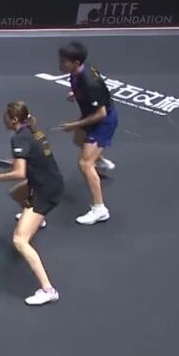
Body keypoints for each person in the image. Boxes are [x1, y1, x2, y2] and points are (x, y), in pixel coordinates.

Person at [0, 102, 62, 306]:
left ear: (14, 120)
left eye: (6, 117)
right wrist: (12, 162)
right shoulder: (35, 131)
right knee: (16, 194)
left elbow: (19, 173)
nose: (3, 120)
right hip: (50, 182)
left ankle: (48, 290)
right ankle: (37, 220)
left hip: (44, 191)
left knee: (19, 240)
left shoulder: (19, 138)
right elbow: (33, 158)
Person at [55, 42, 117, 225]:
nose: (60, 64)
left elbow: (101, 114)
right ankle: (100, 160)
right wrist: (76, 93)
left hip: (103, 122)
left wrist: (74, 124)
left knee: (85, 163)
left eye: (63, 62)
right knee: (78, 140)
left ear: (75, 62)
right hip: (91, 114)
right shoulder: (81, 70)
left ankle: (100, 209)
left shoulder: (90, 83)